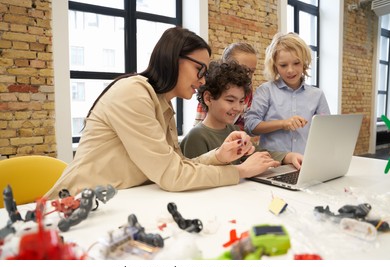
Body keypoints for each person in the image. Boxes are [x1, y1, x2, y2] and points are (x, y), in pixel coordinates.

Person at [44, 27, 281, 200]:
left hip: (120, 202)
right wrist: (240, 171)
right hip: (76, 205)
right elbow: (173, 176)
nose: (202, 80)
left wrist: (219, 155)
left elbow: (176, 166)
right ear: (173, 58)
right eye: (199, 70)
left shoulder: (162, 104)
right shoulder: (133, 92)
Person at [180, 60, 303, 169]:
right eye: (230, 100)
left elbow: (258, 152)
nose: (238, 108)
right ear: (208, 98)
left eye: (241, 101)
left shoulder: (234, 130)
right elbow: (199, 177)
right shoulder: (196, 137)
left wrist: (288, 156)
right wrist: (244, 169)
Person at [244, 32, 330, 154]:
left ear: (304, 63)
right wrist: (283, 124)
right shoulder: (265, 91)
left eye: (296, 63)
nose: (290, 70)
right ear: (275, 66)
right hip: (272, 164)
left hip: (304, 163)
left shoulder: (317, 95)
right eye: (283, 65)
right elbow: (250, 126)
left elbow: (326, 132)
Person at [194, 42, 257, 131]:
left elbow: (244, 123)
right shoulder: (212, 91)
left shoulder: (248, 93)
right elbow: (199, 127)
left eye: (251, 71)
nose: (247, 76)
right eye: (242, 69)